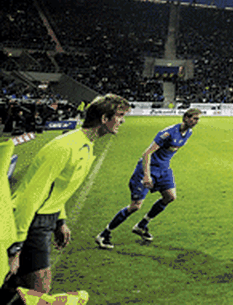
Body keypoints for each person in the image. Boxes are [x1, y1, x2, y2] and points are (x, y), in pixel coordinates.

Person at [3, 94, 130, 299]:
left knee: (23, 285)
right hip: (31, 219)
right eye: (120, 115)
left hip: (46, 217)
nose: (123, 121)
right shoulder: (64, 147)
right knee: (39, 290)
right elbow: (30, 196)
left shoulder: (87, 145)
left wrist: (60, 221)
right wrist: (15, 248)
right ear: (104, 118)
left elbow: (57, 189)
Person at [95, 108, 201, 250]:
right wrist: (146, 175)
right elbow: (147, 153)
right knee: (135, 206)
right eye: (194, 118)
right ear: (185, 118)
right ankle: (104, 234)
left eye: (198, 119)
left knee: (170, 197)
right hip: (148, 168)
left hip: (163, 169)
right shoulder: (168, 133)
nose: (196, 122)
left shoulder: (189, 133)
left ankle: (141, 225)